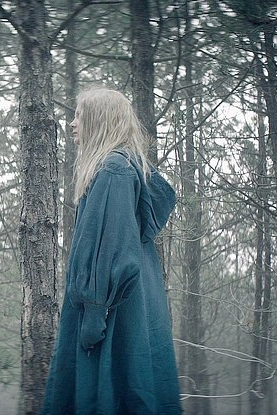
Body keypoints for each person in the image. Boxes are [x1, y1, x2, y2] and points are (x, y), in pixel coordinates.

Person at [42, 88, 181, 414]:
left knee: (109, 392)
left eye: (80, 116)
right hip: (129, 302)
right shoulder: (124, 168)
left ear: (99, 121)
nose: (72, 123)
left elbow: (111, 248)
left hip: (113, 310)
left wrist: (94, 311)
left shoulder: (113, 171)